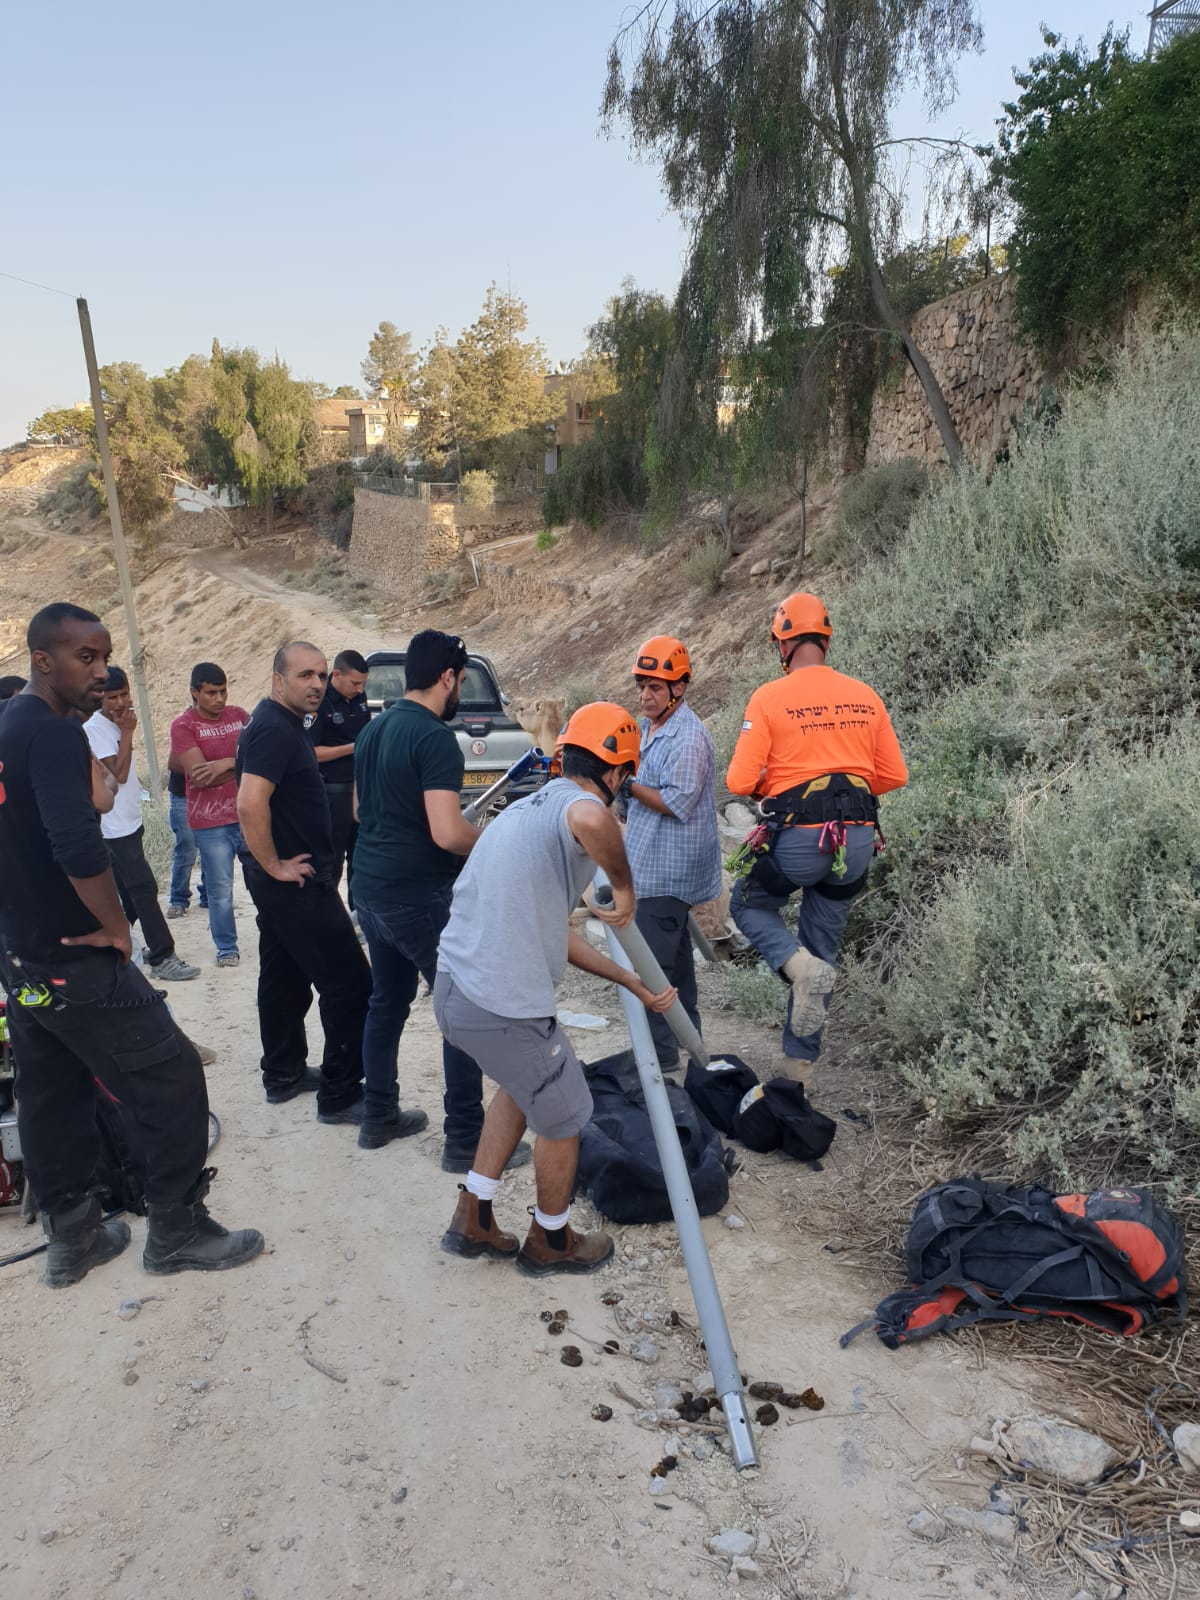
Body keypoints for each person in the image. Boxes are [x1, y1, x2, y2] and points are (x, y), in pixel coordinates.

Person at [0, 602, 263, 1286]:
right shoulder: (50, 737)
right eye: (84, 658)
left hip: (23, 962)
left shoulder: (12, 728)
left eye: (104, 656)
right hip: (77, 959)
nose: (99, 670)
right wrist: (119, 927)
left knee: (51, 1093)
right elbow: (77, 844)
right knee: (173, 1076)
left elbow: (67, 811)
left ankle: (74, 1237)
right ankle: (176, 1228)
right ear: (41, 660)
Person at [434, 702, 676, 1275]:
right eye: (625, 778)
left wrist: (628, 980)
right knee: (565, 1115)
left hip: (456, 991)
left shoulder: (527, 811)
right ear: (617, 773)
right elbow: (596, 822)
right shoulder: (580, 806)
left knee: (522, 1089)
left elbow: (555, 933)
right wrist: (624, 887)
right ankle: (551, 1241)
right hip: (501, 1007)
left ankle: (473, 1215)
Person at [352, 629, 528, 1166]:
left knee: (387, 1001)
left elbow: (362, 812)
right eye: (458, 683)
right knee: (462, 1010)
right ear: (449, 678)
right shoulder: (432, 738)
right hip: (417, 896)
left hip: (368, 888)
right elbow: (449, 834)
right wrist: (497, 841)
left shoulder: (373, 730)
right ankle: (465, 1140)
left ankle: (378, 1116)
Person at [726, 592, 907, 1078]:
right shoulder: (865, 695)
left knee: (747, 903)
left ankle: (794, 964)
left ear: (783, 643)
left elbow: (739, 782)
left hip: (799, 841)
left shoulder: (769, 697)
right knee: (822, 948)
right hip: (858, 843)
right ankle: (797, 1072)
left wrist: (779, 785)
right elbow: (892, 776)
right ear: (824, 639)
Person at [235, 641, 371, 1118]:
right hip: (293, 882)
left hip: (285, 881)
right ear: (278, 681)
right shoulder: (274, 728)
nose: (315, 684)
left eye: (320, 675)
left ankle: (283, 1071)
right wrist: (274, 865)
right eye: (304, 676)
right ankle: (341, 1096)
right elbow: (250, 803)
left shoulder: (280, 723)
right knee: (352, 983)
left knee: (285, 977)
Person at [622, 635, 722, 1074]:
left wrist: (624, 783)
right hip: (648, 862)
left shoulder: (689, 737)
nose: (645, 695)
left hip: (669, 870)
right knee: (676, 962)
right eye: (642, 686)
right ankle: (689, 1040)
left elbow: (677, 801)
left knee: (653, 966)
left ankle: (662, 1055)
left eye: (655, 688)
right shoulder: (645, 730)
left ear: (679, 688)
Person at [84, 667, 199, 982]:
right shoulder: (95, 728)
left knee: (130, 893)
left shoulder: (116, 724)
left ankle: (113, 950)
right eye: (112, 697)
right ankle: (162, 956)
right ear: (99, 699)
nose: (121, 702)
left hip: (129, 822)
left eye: (124, 694)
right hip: (113, 827)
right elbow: (117, 776)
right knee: (144, 889)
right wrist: (130, 733)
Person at [170, 664, 250, 968]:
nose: (219, 698)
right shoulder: (183, 726)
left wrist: (225, 763)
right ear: (194, 692)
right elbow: (201, 777)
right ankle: (227, 947)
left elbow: (262, 757)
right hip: (210, 822)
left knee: (264, 880)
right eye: (211, 693)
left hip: (247, 812)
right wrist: (239, 766)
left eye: (223, 691)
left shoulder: (240, 716)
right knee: (220, 891)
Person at [308, 648, 371, 906]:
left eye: (363, 684)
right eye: (355, 683)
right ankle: (328, 920)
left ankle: (360, 918)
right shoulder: (318, 703)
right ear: (336, 675)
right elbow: (310, 753)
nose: (359, 689)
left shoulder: (359, 698)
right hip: (331, 794)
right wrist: (354, 747)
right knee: (331, 863)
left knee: (361, 861)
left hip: (359, 791)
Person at [164, 763, 208, 921]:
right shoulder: (181, 736)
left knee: (210, 846)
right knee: (186, 849)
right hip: (183, 793)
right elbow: (174, 761)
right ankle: (178, 899)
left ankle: (209, 895)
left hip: (210, 791)